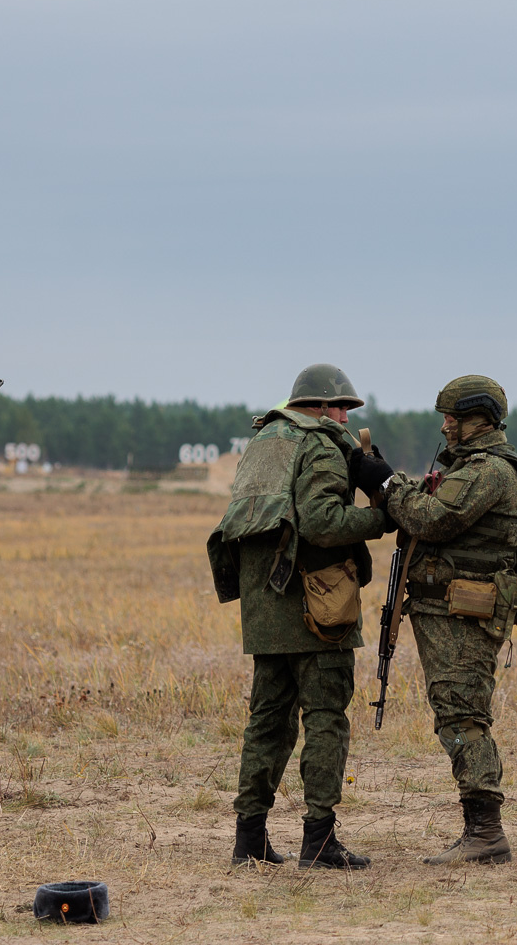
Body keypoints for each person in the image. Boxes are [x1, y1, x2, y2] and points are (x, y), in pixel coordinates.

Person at [207, 363, 393, 871]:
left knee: (268, 722)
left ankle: (250, 839)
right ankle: (320, 839)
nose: (346, 419)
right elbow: (322, 521)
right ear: (323, 407)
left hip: (264, 605)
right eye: (342, 408)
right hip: (315, 604)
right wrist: (382, 517)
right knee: (326, 718)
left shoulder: (266, 439)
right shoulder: (320, 444)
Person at [381, 375, 517, 865]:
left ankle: (486, 834)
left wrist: (385, 485)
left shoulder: (489, 470)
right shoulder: (469, 467)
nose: (444, 426)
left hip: (463, 615)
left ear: (480, 420)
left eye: (453, 417)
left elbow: (431, 518)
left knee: (464, 717)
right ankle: (481, 831)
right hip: (448, 612)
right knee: (455, 711)